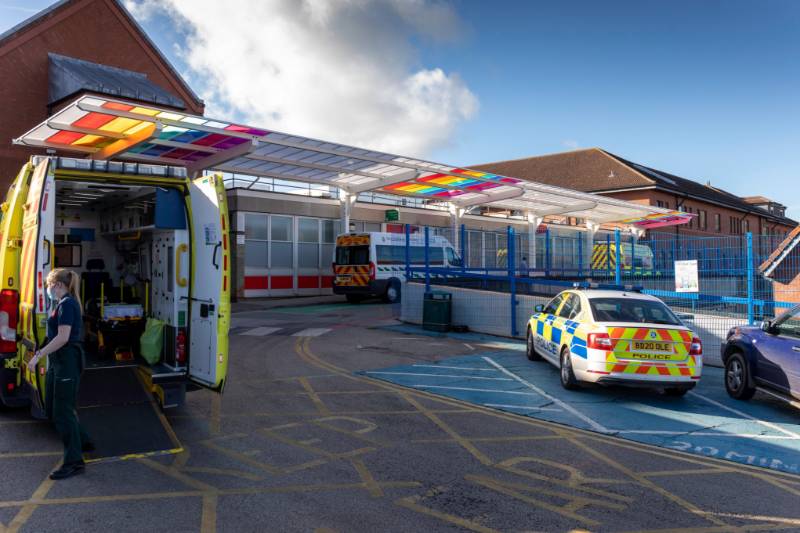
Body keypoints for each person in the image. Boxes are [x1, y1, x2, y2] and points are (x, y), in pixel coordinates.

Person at [27, 268, 93, 480]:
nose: (47, 288)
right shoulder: (60, 304)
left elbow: (63, 338)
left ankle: (74, 462)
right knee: (55, 410)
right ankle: (84, 441)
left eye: (48, 284)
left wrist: (38, 356)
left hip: (67, 363)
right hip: (58, 363)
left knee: (62, 413)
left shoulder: (68, 305)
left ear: (57, 285)